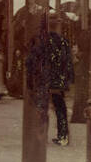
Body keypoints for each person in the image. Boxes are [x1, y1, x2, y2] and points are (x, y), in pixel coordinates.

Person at [27, 10, 75, 146]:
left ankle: (40, 135)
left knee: (42, 108)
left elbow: (30, 62)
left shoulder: (38, 40)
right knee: (59, 108)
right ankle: (63, 136)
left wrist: (30, 80)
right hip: (56, 81)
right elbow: (68, 62)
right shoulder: (63, 41)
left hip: (43, 80)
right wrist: (68, 79)